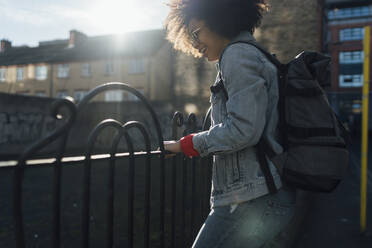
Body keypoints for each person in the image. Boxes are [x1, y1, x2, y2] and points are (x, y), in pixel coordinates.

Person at [163, 0, 297, 247]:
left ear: (220, 20)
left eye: (196, 33)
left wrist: (186, 144)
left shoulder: (236, 54)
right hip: (266, 194)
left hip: (251, 198)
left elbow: (242, 130)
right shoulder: (255, 54)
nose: (195, 43)